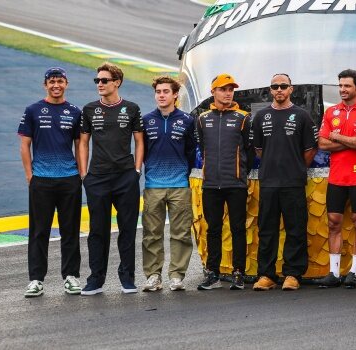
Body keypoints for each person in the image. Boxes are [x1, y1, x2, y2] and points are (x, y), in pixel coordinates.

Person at [78, 63, 144, 295]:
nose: (100, 84)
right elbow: (83, 142)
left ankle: (127, 277)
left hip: (126, 177)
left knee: (128, 228)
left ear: (117, 82)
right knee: (98, 230)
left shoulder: (132, 108)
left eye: (104, 80)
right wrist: (84, 174)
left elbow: (139, 141)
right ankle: (96, 279)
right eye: (97, 81)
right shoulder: (88, 109)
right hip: (97, 178)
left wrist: (136, 171)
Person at [19, 67, 83, 297]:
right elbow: (25, 144)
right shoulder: (33, 110)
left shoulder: (75, 112)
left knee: (70, 230)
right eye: (52, 81)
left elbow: (81, 145)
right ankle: (36, 279)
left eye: (60, 81)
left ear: (66, 83)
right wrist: (30, 175)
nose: (56, 85)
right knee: (39, 231)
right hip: (41, 180)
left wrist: (80, 174)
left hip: (69, 179)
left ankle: (71, 276)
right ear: (45, 84)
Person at [251, 73, 318, 291]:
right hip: (269, 181)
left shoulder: (302, 116)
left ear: (291, 89)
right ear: (270, 90)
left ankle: (292, 274)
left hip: (293, 182)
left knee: (295, 228)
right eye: (275, 86)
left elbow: (310, 150)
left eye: (283, 86)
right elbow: (259, 150)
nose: (279, 89)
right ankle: (266, 274)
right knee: (267, 229)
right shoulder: (261, 116)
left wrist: (296, 167)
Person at [316, 69, 356, 289]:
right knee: (333, 222)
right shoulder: (331, 112)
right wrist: (350, 140)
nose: (342, 90)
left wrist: (337, 137)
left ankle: (353, 272)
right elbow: (322, 144)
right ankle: (334, 273)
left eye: (347, 86)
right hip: (337, 176)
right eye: (340, 86)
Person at [195, 73, 253, 291]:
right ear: (213, 92)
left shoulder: (243, 117)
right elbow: (202, 148)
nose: (228, 93)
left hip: (235, 183)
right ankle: (213, 274)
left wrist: (239, 173)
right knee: (213, 229)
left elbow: (248, 149)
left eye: (230, 90)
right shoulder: (203, 119)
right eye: (223, 89)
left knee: (238, 228)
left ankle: (238, 273)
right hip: (211, 184)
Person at [140, 76, 196, 292]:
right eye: (158, 92)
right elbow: (142, 150)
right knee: (151, 233)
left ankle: (177, 275)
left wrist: (185, 173)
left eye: (166, 91)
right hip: (153, 184)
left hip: (180, 185)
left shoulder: (187, 120)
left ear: (175, 95)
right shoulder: (146, 120)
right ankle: (153, 276)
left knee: (180, 232)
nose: (161, 95)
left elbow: (192, 151)